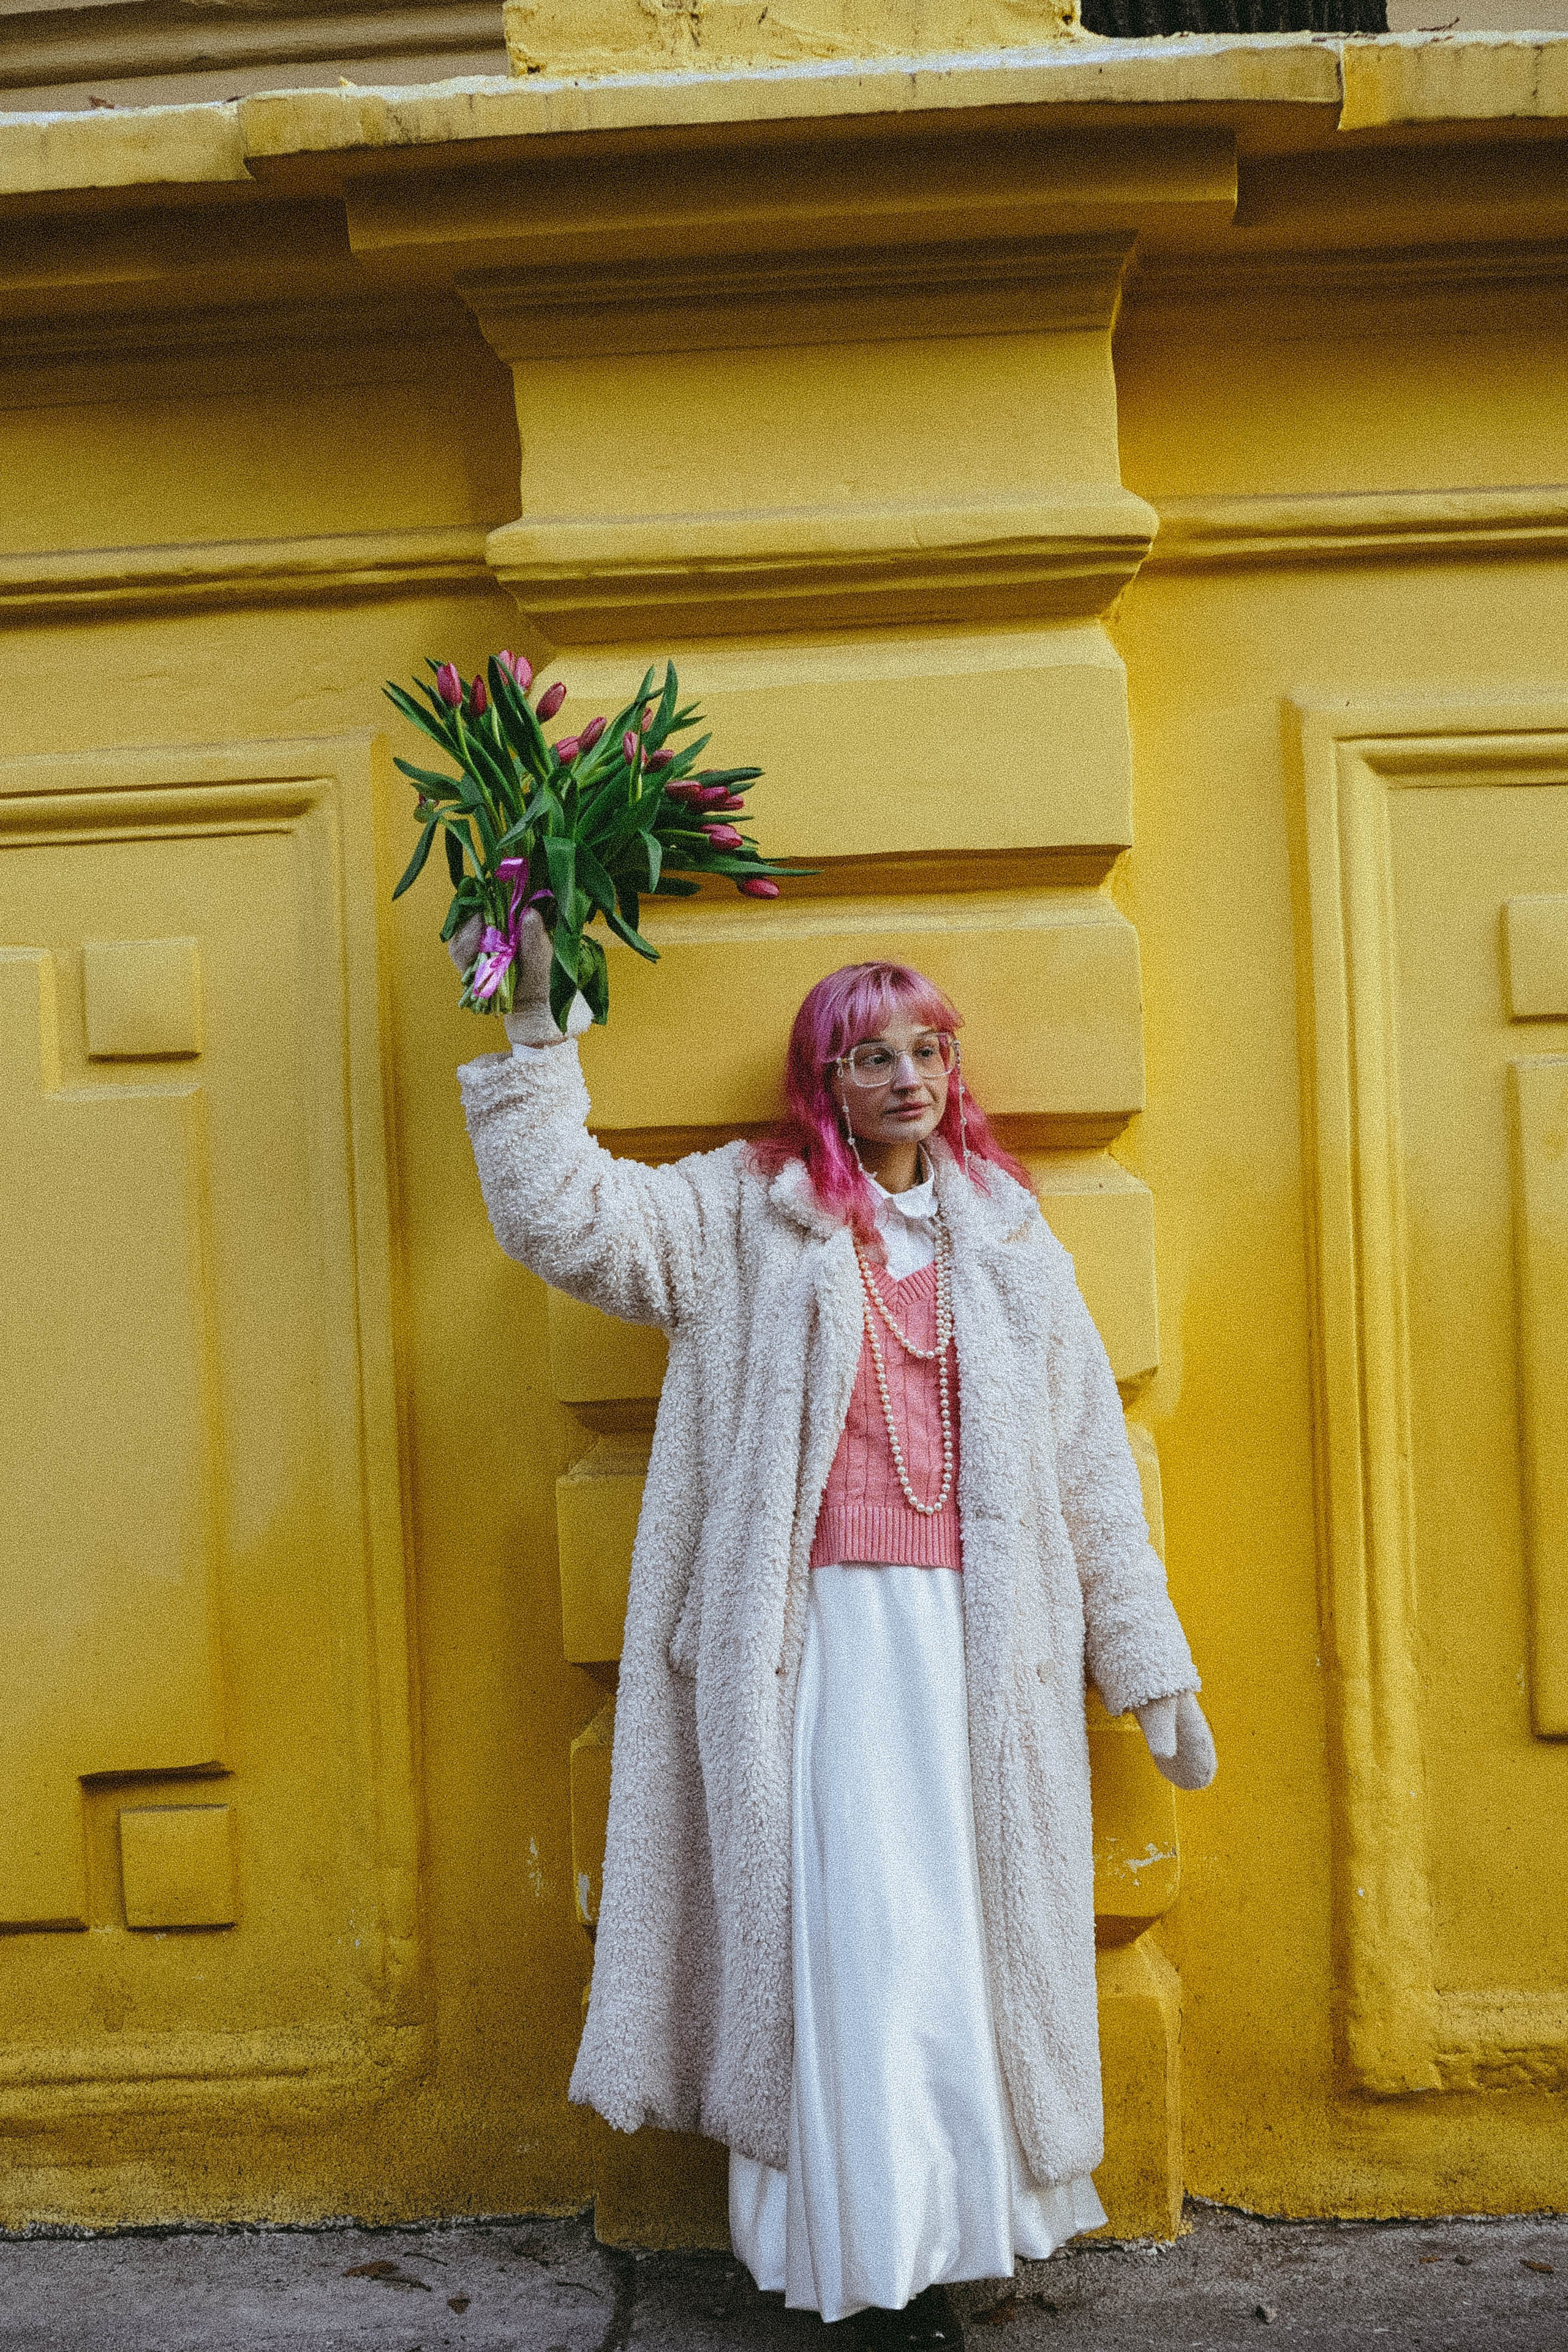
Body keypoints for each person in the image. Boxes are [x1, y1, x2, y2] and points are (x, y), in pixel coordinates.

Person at [453, 910, 1216, 2335]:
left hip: (981, 1654)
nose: (906, 1076)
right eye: (870, 1056)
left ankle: (955, 2229)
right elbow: (560, 1215)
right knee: (851, 1933)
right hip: (810, 1653)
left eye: (927, 1049)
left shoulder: (1005, 1234)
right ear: (822, 1081)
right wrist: (532, 1026)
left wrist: (1144, 1660)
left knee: (960, 1935)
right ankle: (858, 2251)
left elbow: (1084, 1471)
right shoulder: (742, 1213)